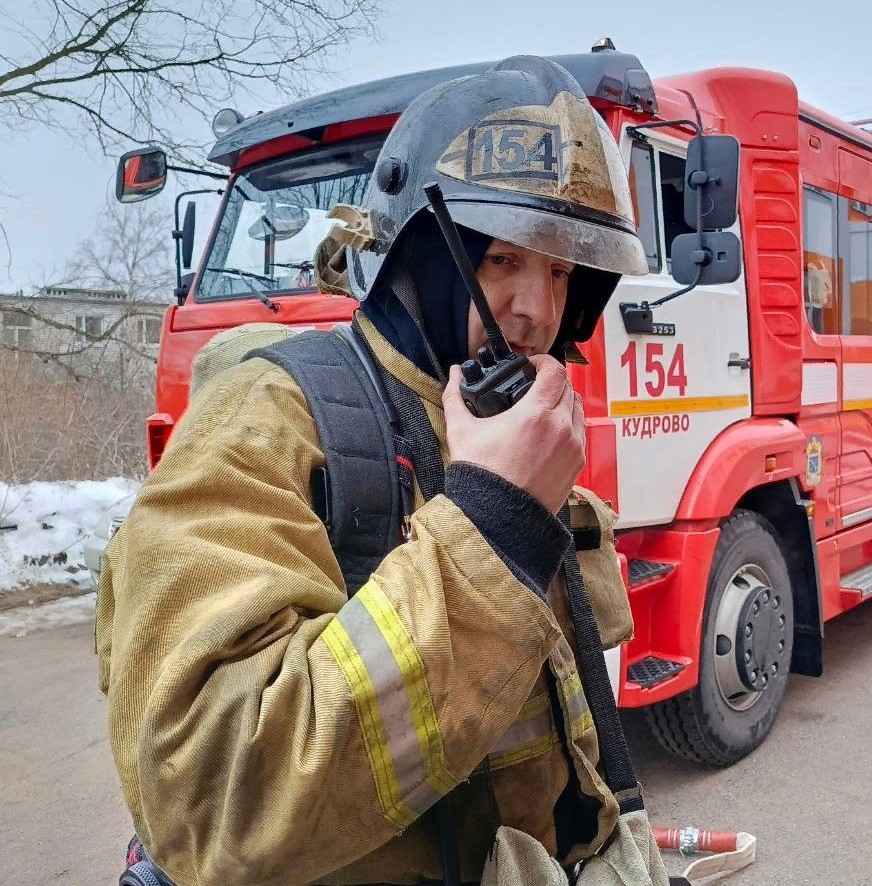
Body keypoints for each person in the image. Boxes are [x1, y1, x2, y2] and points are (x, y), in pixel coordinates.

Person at [95, 56, 657, 886]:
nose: (538, 312)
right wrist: (492, 530)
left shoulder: (492, 434)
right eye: (503, 260)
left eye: (564, 271)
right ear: (420, 258)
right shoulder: (265, 422)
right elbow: (212, 801)